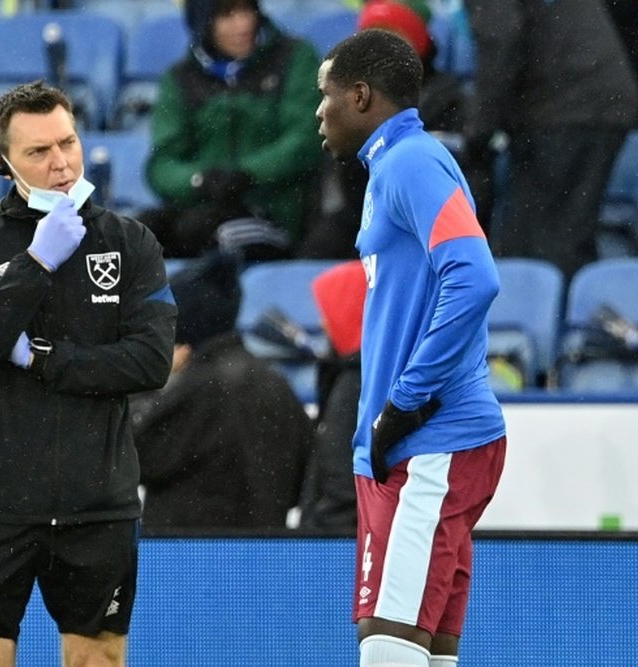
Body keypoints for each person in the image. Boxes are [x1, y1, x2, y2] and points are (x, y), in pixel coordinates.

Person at [0, 81, 177, 667]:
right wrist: (35, 263)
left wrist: (42, 358)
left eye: (67, 142)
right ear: (3, 163)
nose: (61, 163)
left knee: (99, 660)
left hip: (98, 504)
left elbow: (150, 362)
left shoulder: (129, 242)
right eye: (38, 152)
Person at [315, 29, 507, 666]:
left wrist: (406, 400)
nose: (320, 111)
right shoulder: (394, 166)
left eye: (328, 95)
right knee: (426, 653)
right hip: (414, 444)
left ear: (362, 96)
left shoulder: (410, 163)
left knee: (389, 650)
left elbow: (474, 275)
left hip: (430, 441)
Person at [131, 251, 315, 531]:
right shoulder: (274, 381)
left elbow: (132, 457)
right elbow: (305, 476)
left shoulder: (197, 387)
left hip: (191, 557)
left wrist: (149, 382)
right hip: (269, 554)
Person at [462, 0, 638, 281]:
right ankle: (566, 315)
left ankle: (554, 317)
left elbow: (501, 36)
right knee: (563, 236)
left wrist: (479, 130)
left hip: (568, 104)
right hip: (591, 95)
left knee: (548, 242)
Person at [142, 0, 324, 258]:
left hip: (273, 214)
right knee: (136, 237)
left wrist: (246, 174)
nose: (242, 24)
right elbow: (162, 164)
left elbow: (306, 139)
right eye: (226, 15)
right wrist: (199, 180)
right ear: (203, 23)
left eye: (247, 10)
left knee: (220, 237)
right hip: (201, 210)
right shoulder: (181, 78)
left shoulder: (293, 57)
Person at [296, 0, 476, 259]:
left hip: (425, 220)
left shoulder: (448, 99)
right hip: (360, 216)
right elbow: (341, 181)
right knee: (319, 251)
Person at [298, 259, 365, 532]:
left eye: (331, 311)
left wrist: (321, 545)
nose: (323, 323)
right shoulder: (357, 375)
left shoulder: (354, 383)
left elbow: (340, 481)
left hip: (334, 547)